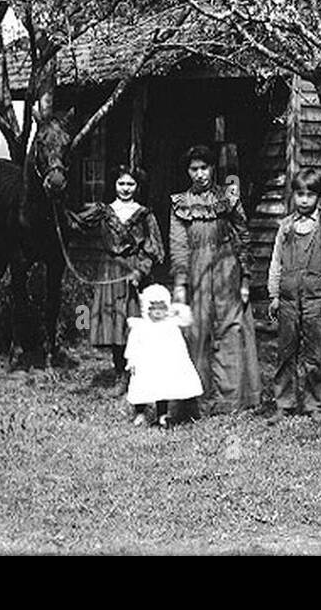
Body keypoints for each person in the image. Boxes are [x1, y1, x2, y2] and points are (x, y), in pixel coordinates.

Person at [168, 144, 261, 413]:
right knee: (196, 331)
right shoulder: (179, 203)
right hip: (197, 270)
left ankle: (230, 399)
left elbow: (243, 236)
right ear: (188, 171)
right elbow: (178, 245)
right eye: (194, 169)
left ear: (212, 169)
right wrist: (180, 284)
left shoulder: (228, 198)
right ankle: (196, 399)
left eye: (204, 168)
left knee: (230, 329)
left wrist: (245, 277)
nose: (200, 174)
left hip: (227, 269)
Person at [69, 165, 164, 397]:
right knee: (113, 326)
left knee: (133, 325)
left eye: (130, 184)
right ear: (114, 185)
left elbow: (155, 250)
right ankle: (120, 375)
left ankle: (137, 374)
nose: (125, 188)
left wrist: (141, 271)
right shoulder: (103, 211)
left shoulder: (144, 214)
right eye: (121, 183)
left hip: (133, 272)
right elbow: (75, 223)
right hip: (109, 273)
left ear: (137, 187)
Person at [267, 168, 321, 416]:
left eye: (310, 194)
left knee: (316, 354)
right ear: (294, 195)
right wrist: (274, 295)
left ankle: (315, 404)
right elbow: (276, 260)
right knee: (286, 352)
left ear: (318, 196)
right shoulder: (286, 226)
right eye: (300, 194)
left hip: (316, 300)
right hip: (288, 299)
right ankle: (284, 403)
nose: (305, 199)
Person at [124, 284, 202, 427]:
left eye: (162, 307)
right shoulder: (141, 327)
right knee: (142, 388)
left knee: (162, 390)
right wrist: (132, 360)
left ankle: (162, 415)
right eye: (154, 308)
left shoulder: (170, 325)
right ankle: (140, 413)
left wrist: (178, 305)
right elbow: (133, 345)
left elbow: (186, 320)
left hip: (164, 365)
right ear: (147, 309)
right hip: (146, 364)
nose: (158, 312)